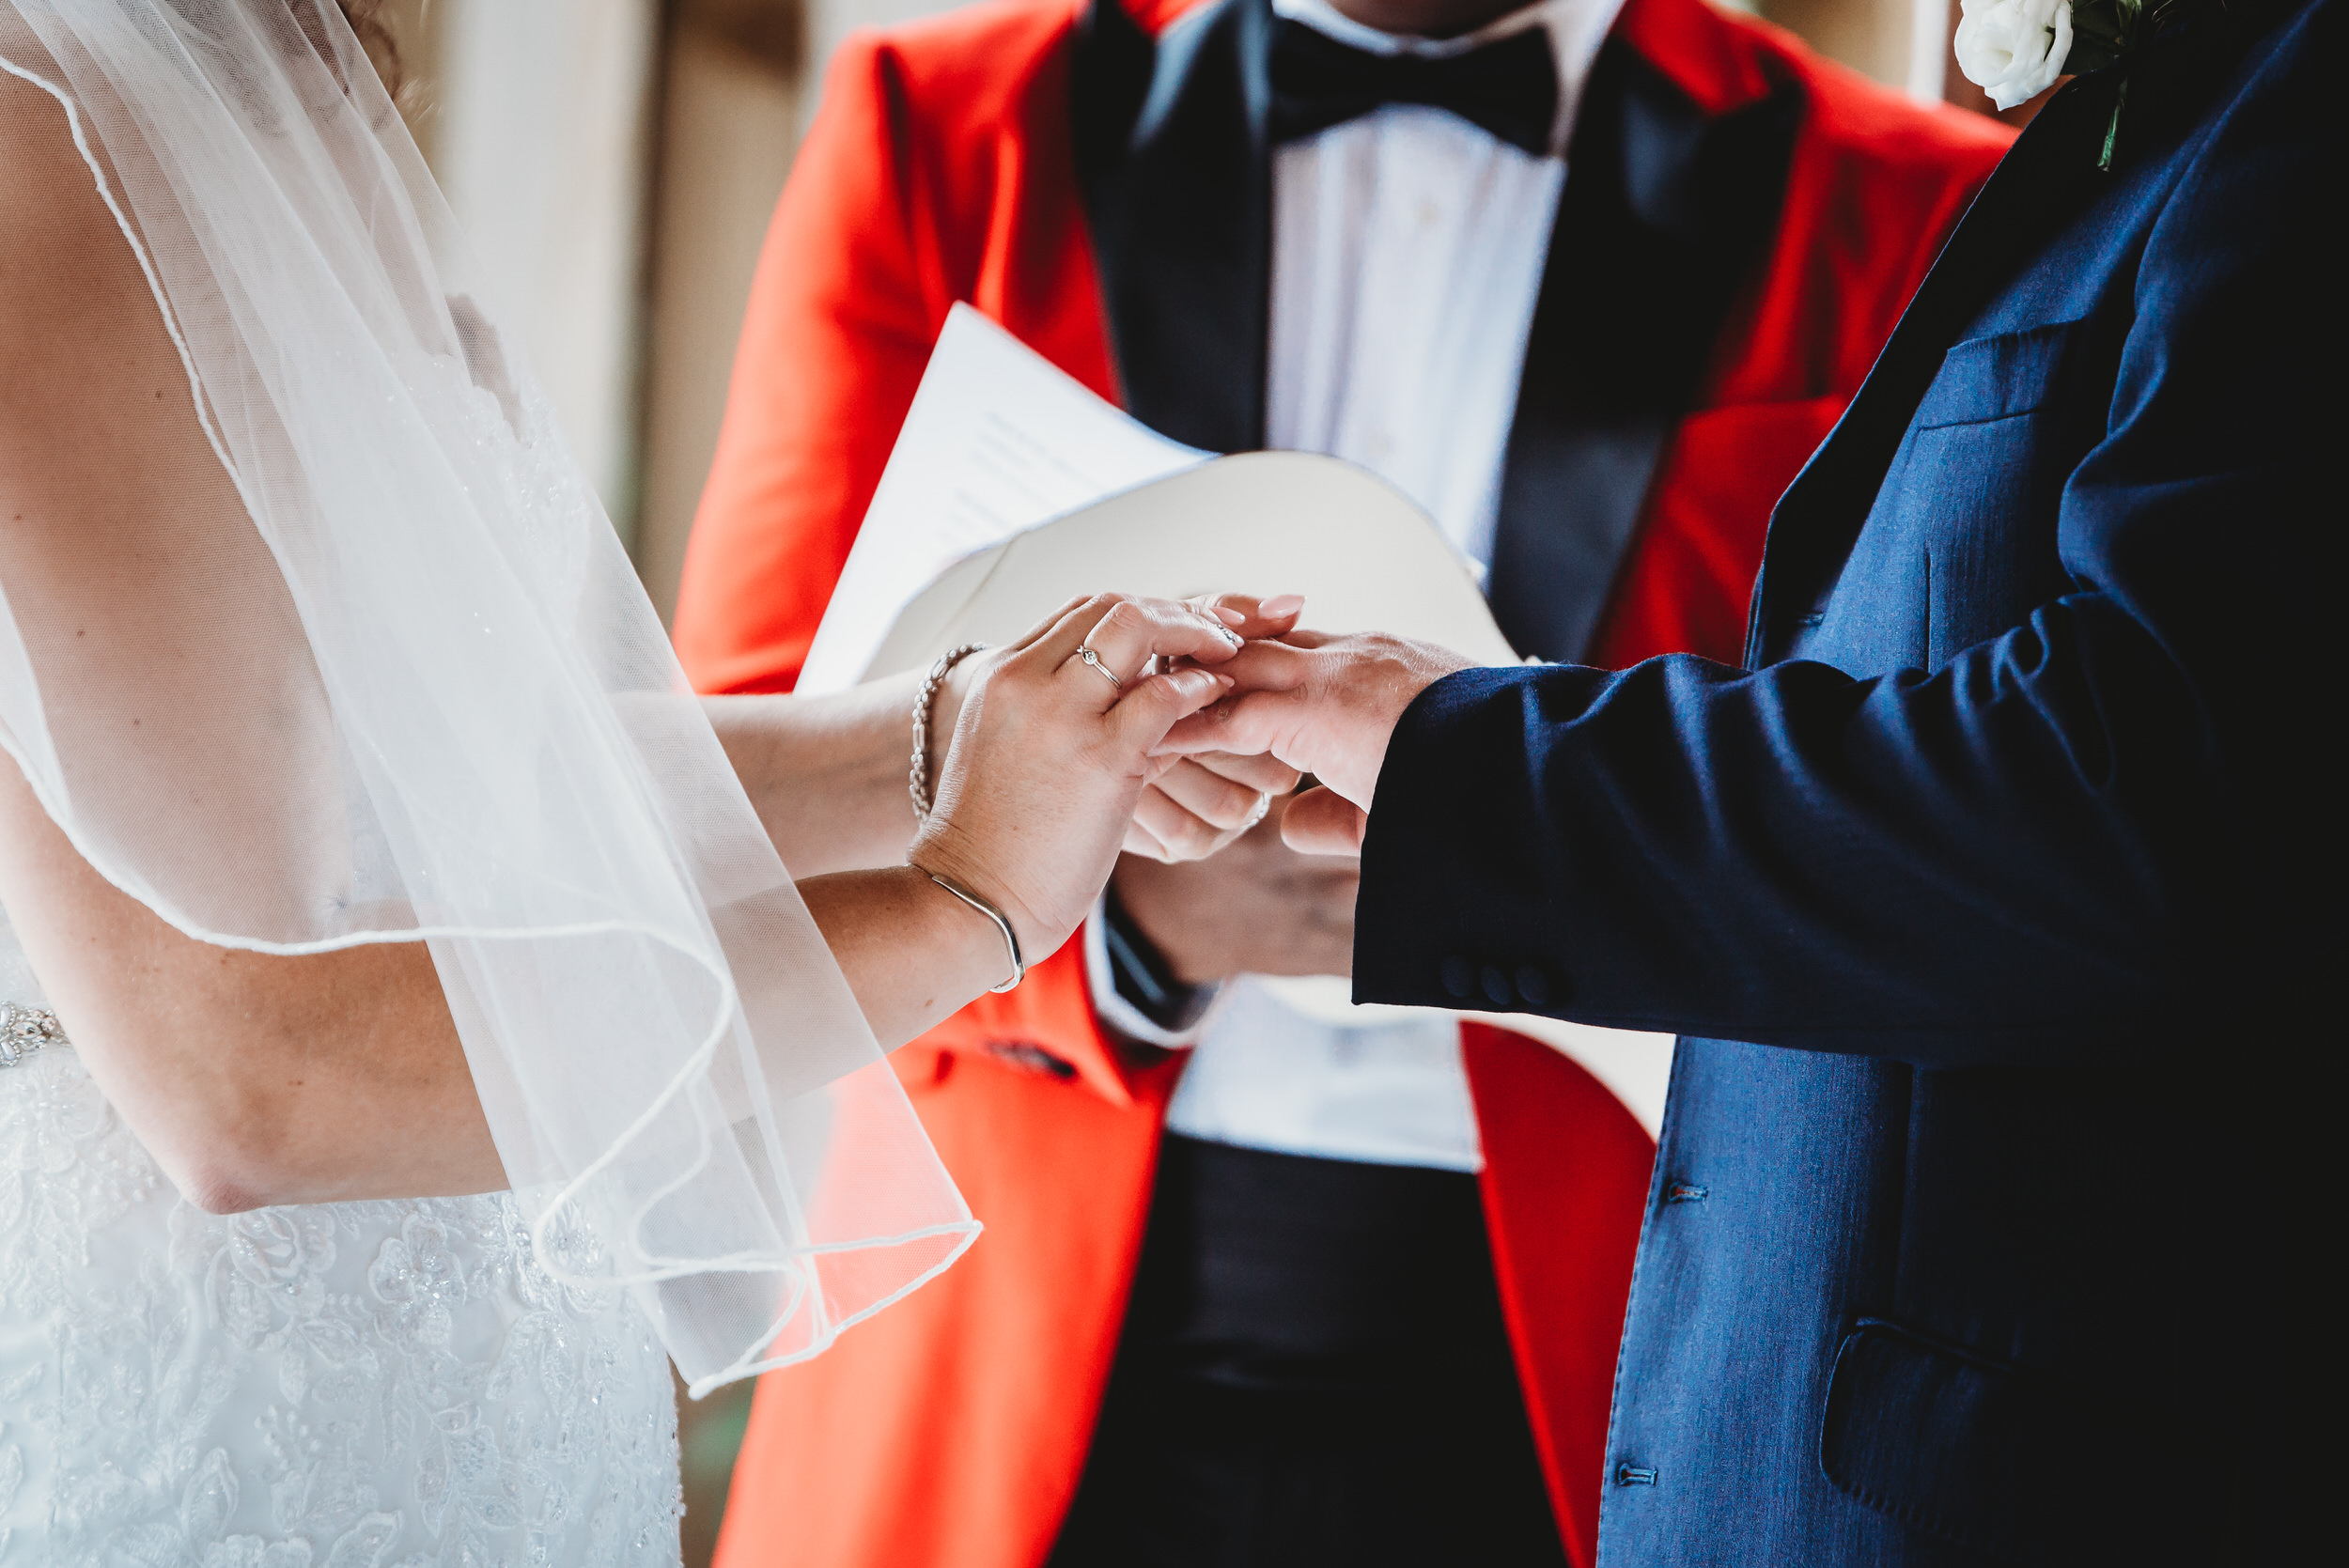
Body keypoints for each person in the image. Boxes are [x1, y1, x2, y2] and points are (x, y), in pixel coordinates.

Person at [673, 0, 2009, 1563]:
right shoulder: (940, 137)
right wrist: (1123, 922)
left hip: (1621, 1389)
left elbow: (1945, 836)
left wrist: (1570, 853)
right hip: (999, 1378)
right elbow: (743, 783)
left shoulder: (1919, 202)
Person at [0, 2, 1271, 1559]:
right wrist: (966, 902)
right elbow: (242, 1073)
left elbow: (427, 782)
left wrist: (953, 741)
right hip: (230, 1413)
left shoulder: (277, 65)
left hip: (488, 1378)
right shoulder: (31, 130)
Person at [1162, 0, 2339, 1559]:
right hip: (1141, 1327)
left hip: (1962, 1468)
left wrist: (1466, 764)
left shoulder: (2284, 88)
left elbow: (2162, 796)